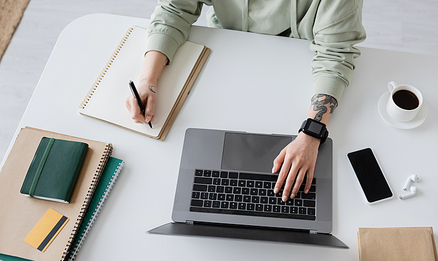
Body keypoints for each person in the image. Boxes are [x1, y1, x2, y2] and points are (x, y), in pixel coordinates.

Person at [125, 0, 366, 202]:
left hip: (300, 68)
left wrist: (311, 134)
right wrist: (149, 78)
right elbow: (174, 9)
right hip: (226, 57)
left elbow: (336, 54)